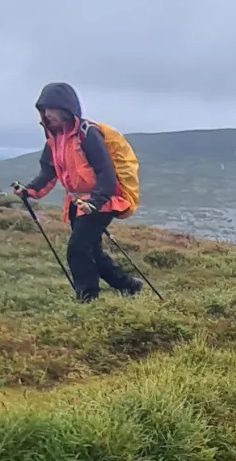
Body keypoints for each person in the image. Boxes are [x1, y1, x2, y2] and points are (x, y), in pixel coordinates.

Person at [11, 82, 143, 302]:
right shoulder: (54, 139)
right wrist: (29, 190)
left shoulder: (88, 134)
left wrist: (97, 202)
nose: (47, 114)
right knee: (92, 250)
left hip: (101, 201)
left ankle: (87, 299)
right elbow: (49, 171)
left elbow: (106, 173)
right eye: (43, 110)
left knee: (78, 248)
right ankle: (129, 286)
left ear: (65, 108)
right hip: (77, 202)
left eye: (51, 108)